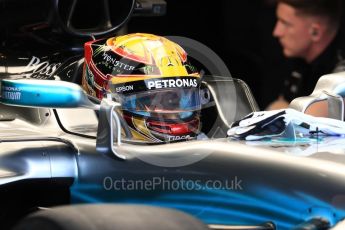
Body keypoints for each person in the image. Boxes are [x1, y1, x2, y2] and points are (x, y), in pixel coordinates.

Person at [82, 33, 203, 143]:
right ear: (105, 97)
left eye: (173, 101)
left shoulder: (202, 144)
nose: (172, 116)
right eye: (149, 101)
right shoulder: (80, 150)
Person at [266, 0, 345, 110]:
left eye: (285, 23)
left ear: (315, 32)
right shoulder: (298, 57)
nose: (276, 32)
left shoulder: (340, 79)